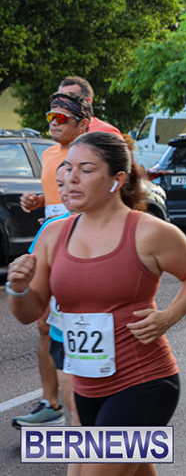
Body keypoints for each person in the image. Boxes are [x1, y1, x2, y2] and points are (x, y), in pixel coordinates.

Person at [7, 132, 186, 476]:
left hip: (144, 381)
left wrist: (167, 317)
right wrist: (18, 288)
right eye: (67, 168)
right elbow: (29, 313)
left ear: (117, 179)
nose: (71, 178)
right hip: (87, 386)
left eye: (86, 170)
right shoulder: (55, 235)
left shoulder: (149, 232)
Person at [13, 92, 94, 429]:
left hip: (84, 238)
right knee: (45, 325)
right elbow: (56, 193)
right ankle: (52, 401)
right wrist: (37, 200)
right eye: (51, 117)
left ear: (82, 122)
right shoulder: (48, 153)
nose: (54, 124)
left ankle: (92, 399)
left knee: (83, 319)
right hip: (51, 236)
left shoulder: (96, 150)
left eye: (62, 119)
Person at [57, 76, 124, 138]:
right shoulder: (58, 127)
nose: (63, 103)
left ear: (87, 102)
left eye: (69, 98)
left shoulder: (106, 133)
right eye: (60, 98)